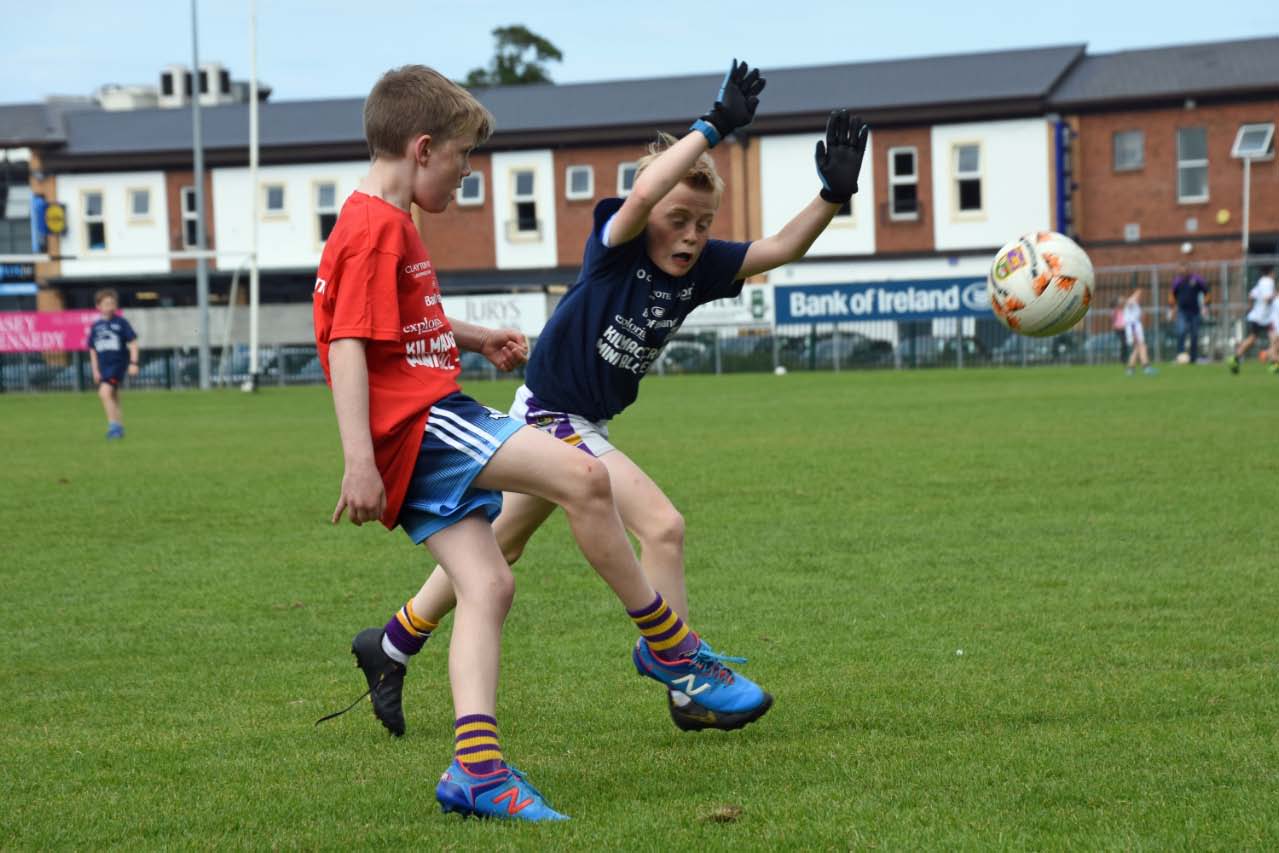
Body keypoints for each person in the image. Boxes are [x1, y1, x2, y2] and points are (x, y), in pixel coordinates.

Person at [313, 65, 769, 822]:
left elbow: (391, 319)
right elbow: (349, 342)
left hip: (416, 427)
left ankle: (476, 770)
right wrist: (358, 458)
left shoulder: (382, 222)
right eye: (463, 158)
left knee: (489, 585)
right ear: (422, 148)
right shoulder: (374, 226)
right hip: (421, 424)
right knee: (582, 479)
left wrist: (473, 332)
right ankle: (669, 647)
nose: (467, 174)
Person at [383, 66, 870, 735]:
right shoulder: (616, 245)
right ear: (650, 219)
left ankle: (389, 644)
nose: (693, 234)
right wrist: (715, 125)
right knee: (662, 525)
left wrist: (831, 195)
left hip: (578, 419)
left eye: (703, 222)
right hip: (553, 415)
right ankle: (683, 678)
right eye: (679, 220)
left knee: (498, 550)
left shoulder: (697, 270)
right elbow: (643, 192)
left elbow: (780, 247)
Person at [86, 288, 139, 439]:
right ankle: (119, 427)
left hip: (117, 365)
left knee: (103, 392)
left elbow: (133, 343)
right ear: (98, 306)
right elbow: (92, 349)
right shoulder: (96, 326)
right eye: (106, 303)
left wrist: (134, 363)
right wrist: (95, 370)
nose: (110, 306)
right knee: (113, 395)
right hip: (104, 367)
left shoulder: (121, 323)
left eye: (112, 303)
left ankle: (113, 426)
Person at [1228, 265, 1275, 374]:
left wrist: (1251, 307)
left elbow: (1251, 295)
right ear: (1271, 273)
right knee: (1273, 339)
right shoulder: (1268, 282)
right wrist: (1275, 296)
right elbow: (1267, 298)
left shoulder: (1260, 282)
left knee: (1253, 339)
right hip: (1265, 317)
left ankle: (1235, 357)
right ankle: (1274, 364)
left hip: (1258, 315)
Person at [1168, 263, 1209, 363]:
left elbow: (1207, 293)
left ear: (1189, 269)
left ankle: (1193, 358)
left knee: (1194, 334)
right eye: (1181, 270)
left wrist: (1205, 306)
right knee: (1181, 332)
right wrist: (1172, 309)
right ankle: (1180, 356)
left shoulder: (1197, 279)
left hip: (1195, 312)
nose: (1183, 271)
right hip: (1182, 312)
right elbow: (1172, 296)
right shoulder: (1177, 281)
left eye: (1185, 269)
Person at [1122, 288, 1156, 376]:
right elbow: (1126, 302)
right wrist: (1128, 300)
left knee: (1139, 348)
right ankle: (1145, 367)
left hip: (1136, 326)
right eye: (1138, 294)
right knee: (1141, 346)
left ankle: (1131, 368)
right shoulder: (1132, 301)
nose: (1140, 296)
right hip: (1133, 327)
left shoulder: (1136, 303)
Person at [1110, 296, 1128, 362]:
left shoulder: (1124, 309)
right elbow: (1113, 320)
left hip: (1125, 328)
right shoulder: (1115, 310)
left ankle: (1125, 357)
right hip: (1118, 328)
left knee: (1126, 343)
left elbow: (1126, 302)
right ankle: (1123, 358)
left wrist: (1123, 300)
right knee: (1124, 343)